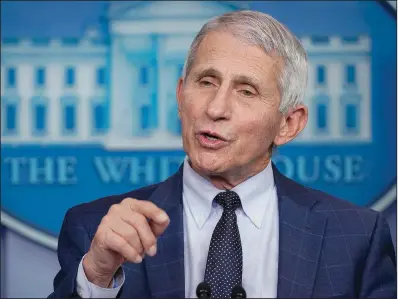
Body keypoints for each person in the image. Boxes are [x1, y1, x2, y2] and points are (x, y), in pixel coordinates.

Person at [49, 10, 396, 299]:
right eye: (206, 82)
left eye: (246, 91)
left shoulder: (357, 237)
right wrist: (96, 276)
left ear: (288, 124)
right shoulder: (95, 230)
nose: (216, 108)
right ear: (181, 95)